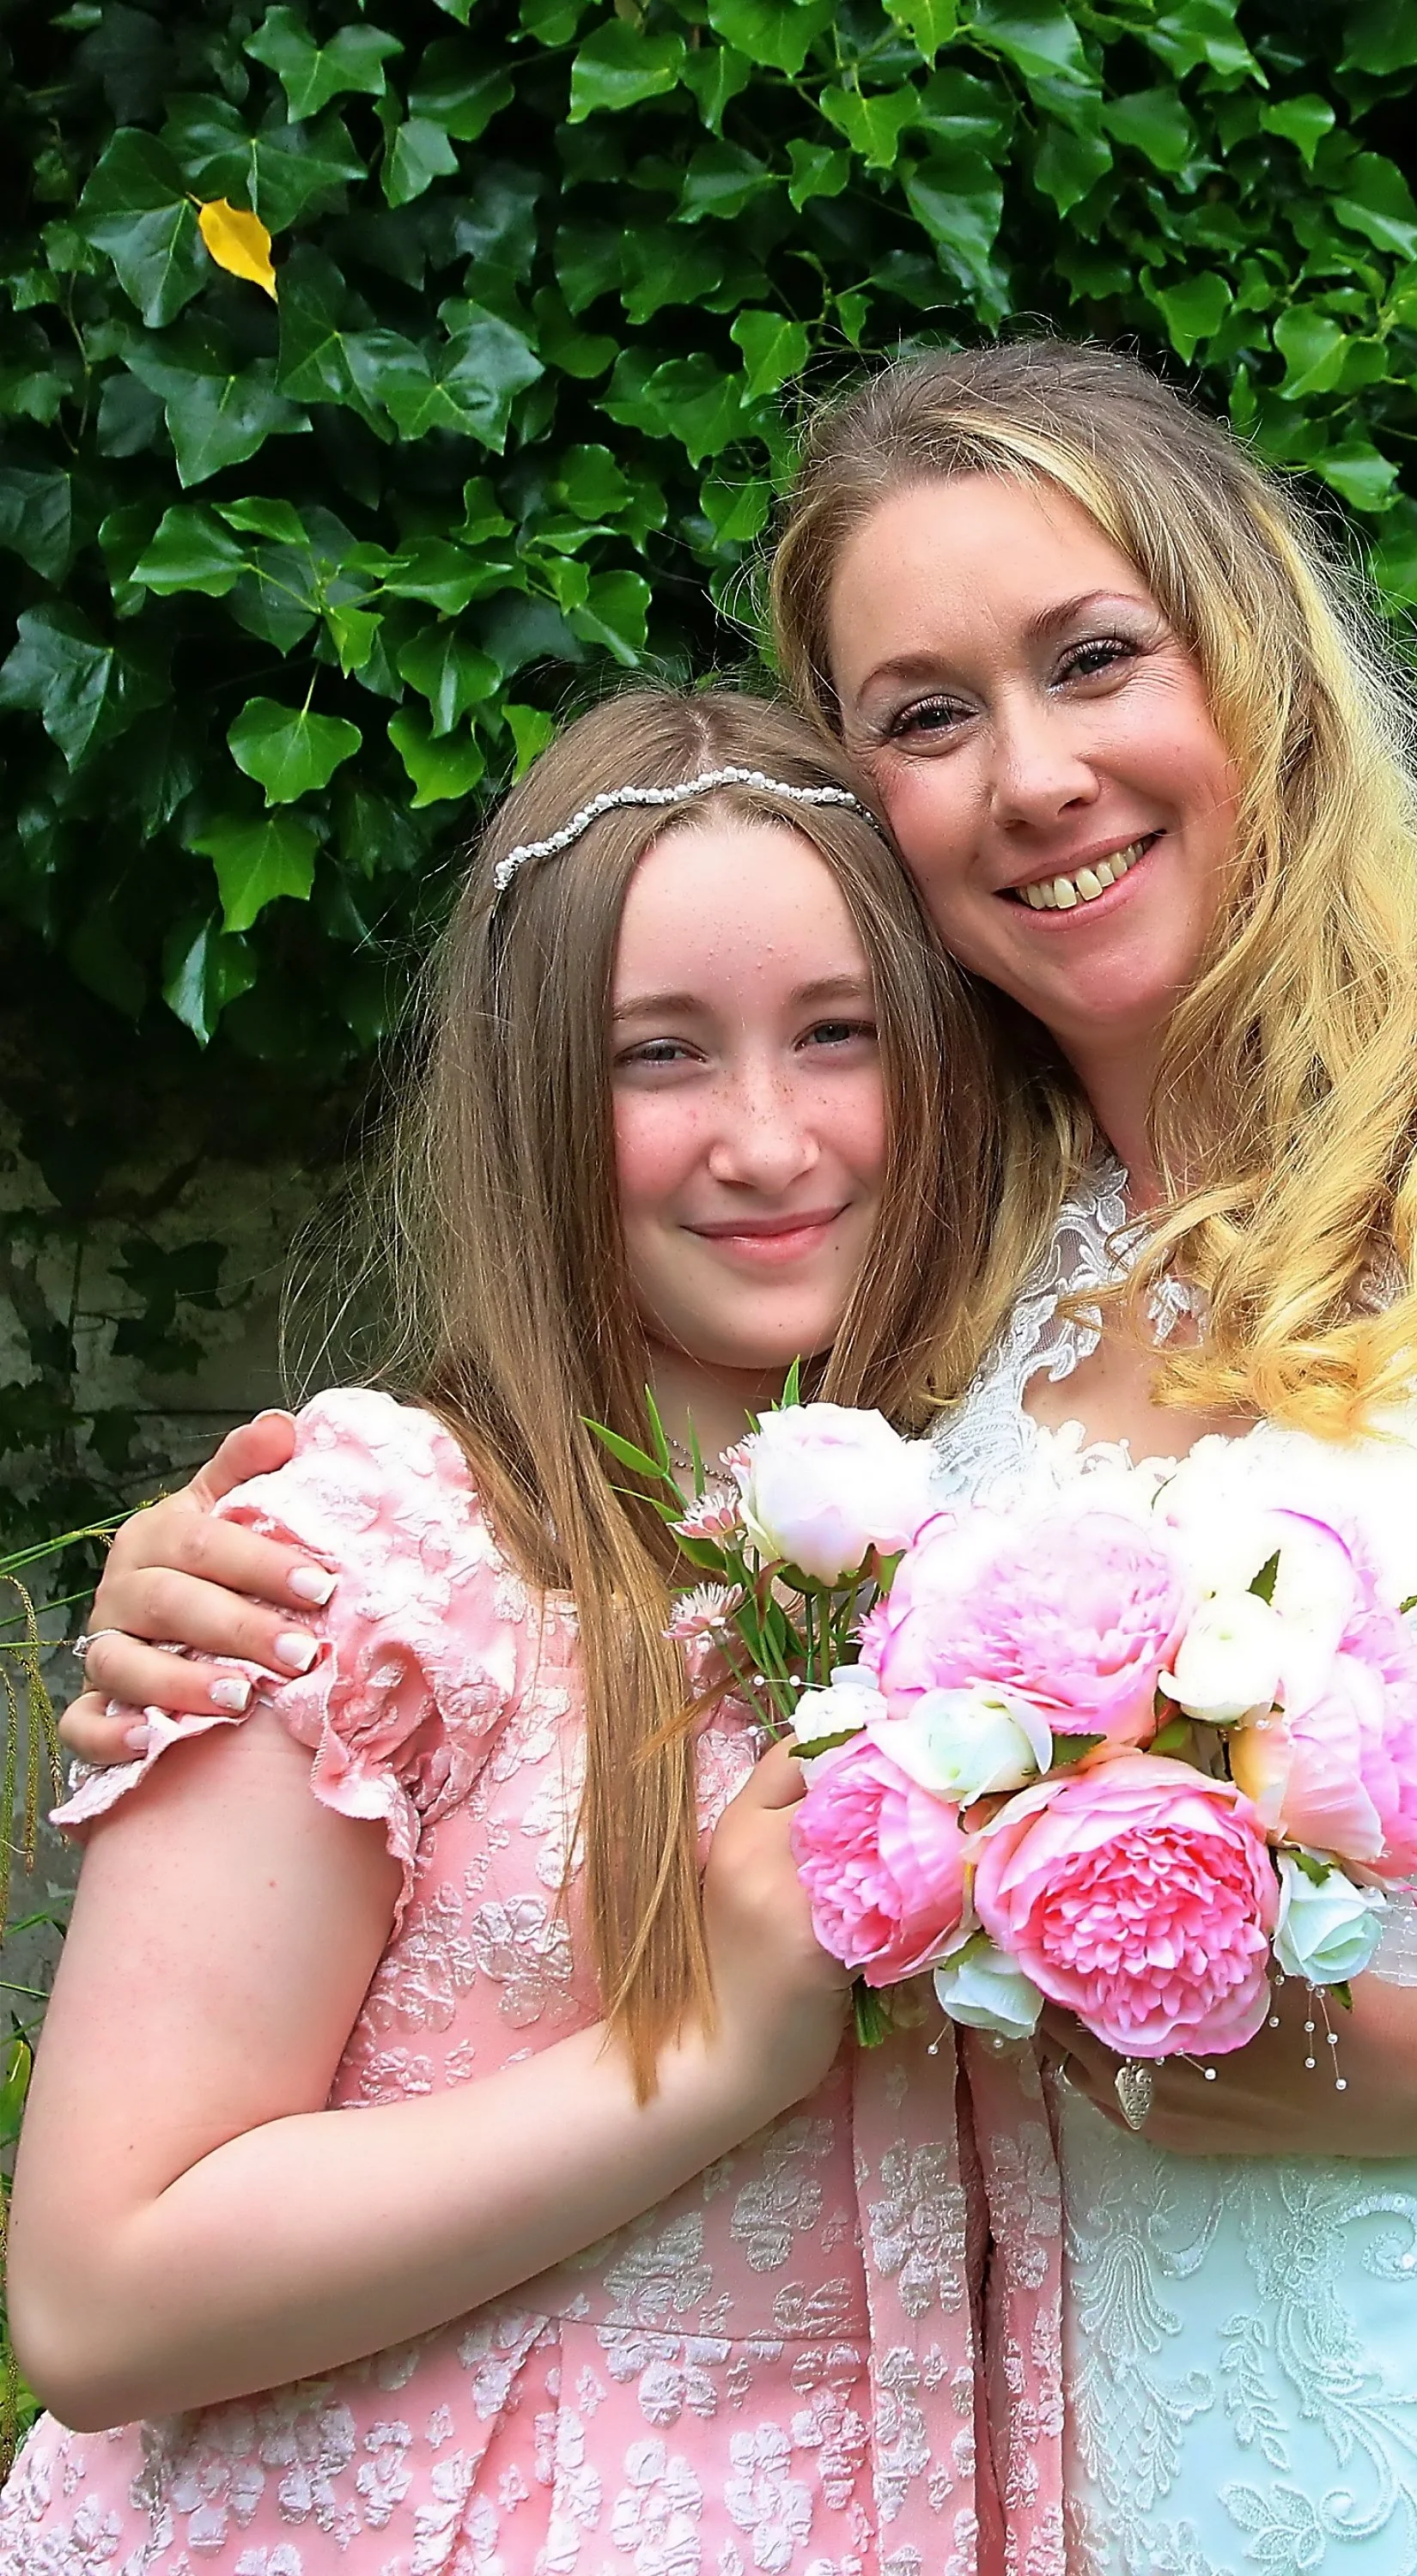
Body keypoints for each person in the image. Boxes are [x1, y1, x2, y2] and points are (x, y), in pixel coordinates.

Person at [47, 339, 1417, 2576]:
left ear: (1254, 656)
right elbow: (107, 2279)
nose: (1035, 772)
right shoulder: (851, 1423)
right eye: (923, 715)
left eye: (1094, 657)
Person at [0, 685, 1067, 2576]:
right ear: (531, 1099)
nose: (767, 1138)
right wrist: (709, 2059)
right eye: (660, 1056)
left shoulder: (1037, 1545)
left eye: (838, 1036)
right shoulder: (372, 1565)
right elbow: (102, 2300)